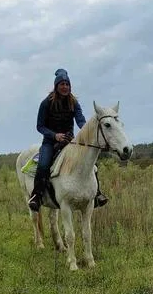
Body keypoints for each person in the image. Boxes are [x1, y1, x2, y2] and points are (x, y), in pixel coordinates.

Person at [27, 68, 109, 211]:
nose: (65, 87)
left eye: (67, 84)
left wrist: (87, 131)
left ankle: (97, 194)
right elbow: (40, 126)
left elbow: (80, 120)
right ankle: (37, 196)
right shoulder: (46, 103)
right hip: (50, 142)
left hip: (69, 141)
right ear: (56, 86)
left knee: (91, 163)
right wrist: (54, 135)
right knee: (44, 165)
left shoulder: (73, 102)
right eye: (62, 84)